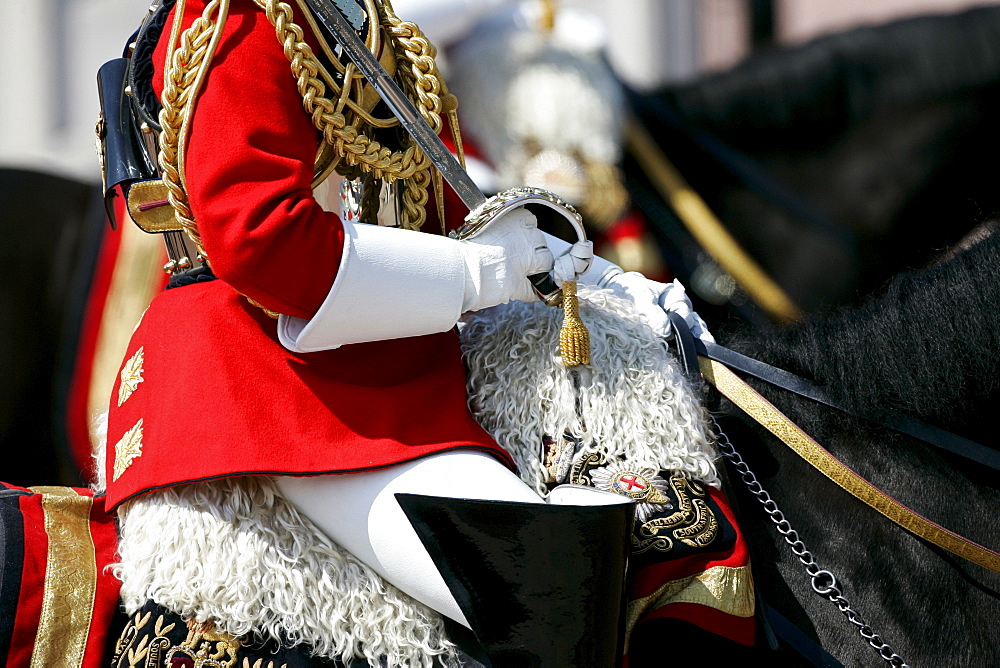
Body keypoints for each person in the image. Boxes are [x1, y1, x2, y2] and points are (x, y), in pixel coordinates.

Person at [104, 0, 722, 663]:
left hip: (382, 369)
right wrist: (477, 273)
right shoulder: (241, 21)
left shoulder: (363, 20)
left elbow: (436, 207)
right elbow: (259, 240)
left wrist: (600, 284)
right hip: (265, 386)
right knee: (552, 582)